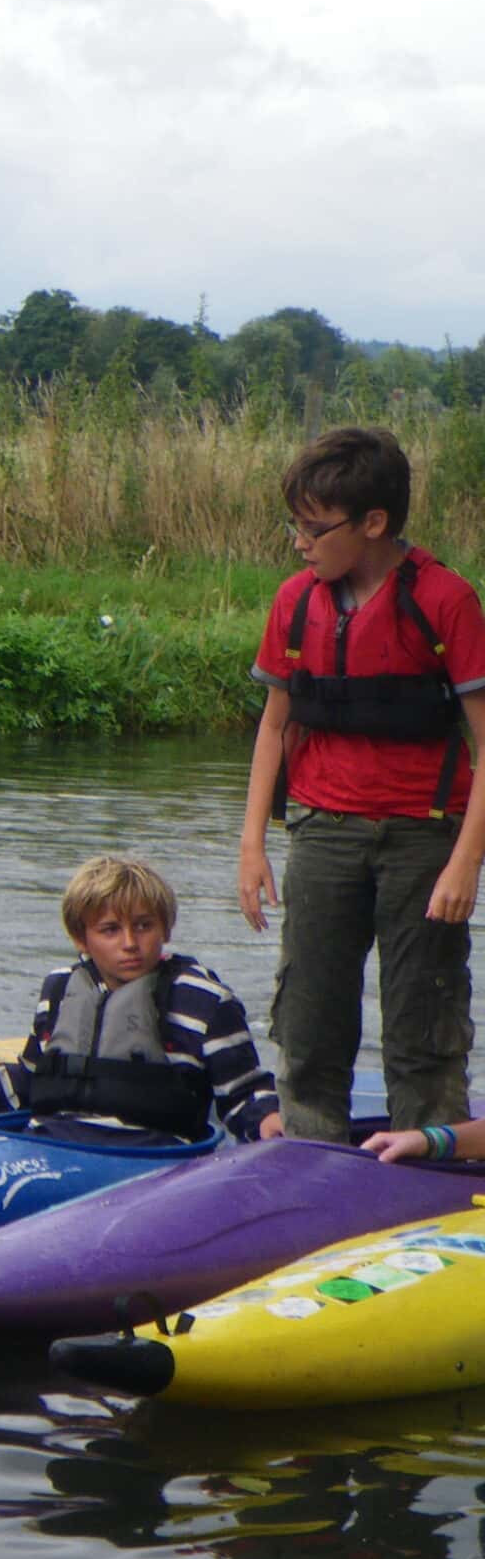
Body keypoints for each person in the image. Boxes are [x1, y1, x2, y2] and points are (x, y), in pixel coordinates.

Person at [238, 426, 485, 1143]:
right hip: (322, 832)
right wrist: (252, 843)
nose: (299, 543)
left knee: (422, 1020)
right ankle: (313, 1160)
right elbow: (274, 727)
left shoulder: (446, 601)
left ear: (374, 523)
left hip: (424, 840)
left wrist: (465, 861)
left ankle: (431, 1159)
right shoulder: (294, 603)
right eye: (296, 526)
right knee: (310, 1017)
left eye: (314, 528)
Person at [0, 856, 280, 1139]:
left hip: (154, 1160)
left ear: (166, 928)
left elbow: (243, 1093)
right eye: (111, 930)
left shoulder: (204, 1000)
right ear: (82, 938)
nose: (129, 943)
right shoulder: (60, 990)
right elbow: (32, 1077)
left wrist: (266, 1120)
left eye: (144, 926)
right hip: (53, 1144)